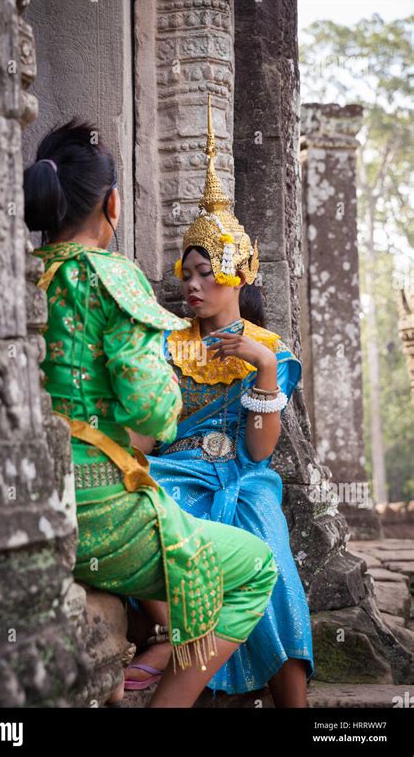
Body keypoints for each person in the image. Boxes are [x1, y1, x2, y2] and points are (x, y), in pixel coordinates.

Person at [23, 119, 279, 708]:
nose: (192, 285)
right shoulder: (110, 278)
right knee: (258, 565)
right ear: (112, 203)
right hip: (94, 505)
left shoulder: (25, 275)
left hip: (30, 493)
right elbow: (155, 416)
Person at [124, 96, 314, 707]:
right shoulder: (166, 343)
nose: (192, 285)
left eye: (206, 272)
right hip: (176, 468)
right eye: (187, 272)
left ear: (237, 274)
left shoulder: (269, 350)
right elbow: (148, 437)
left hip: (242, 475)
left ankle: (293, 698)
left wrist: (260, 369)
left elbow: (260, 451)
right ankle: (179, 649)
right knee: (159, 512)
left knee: (268, 540)